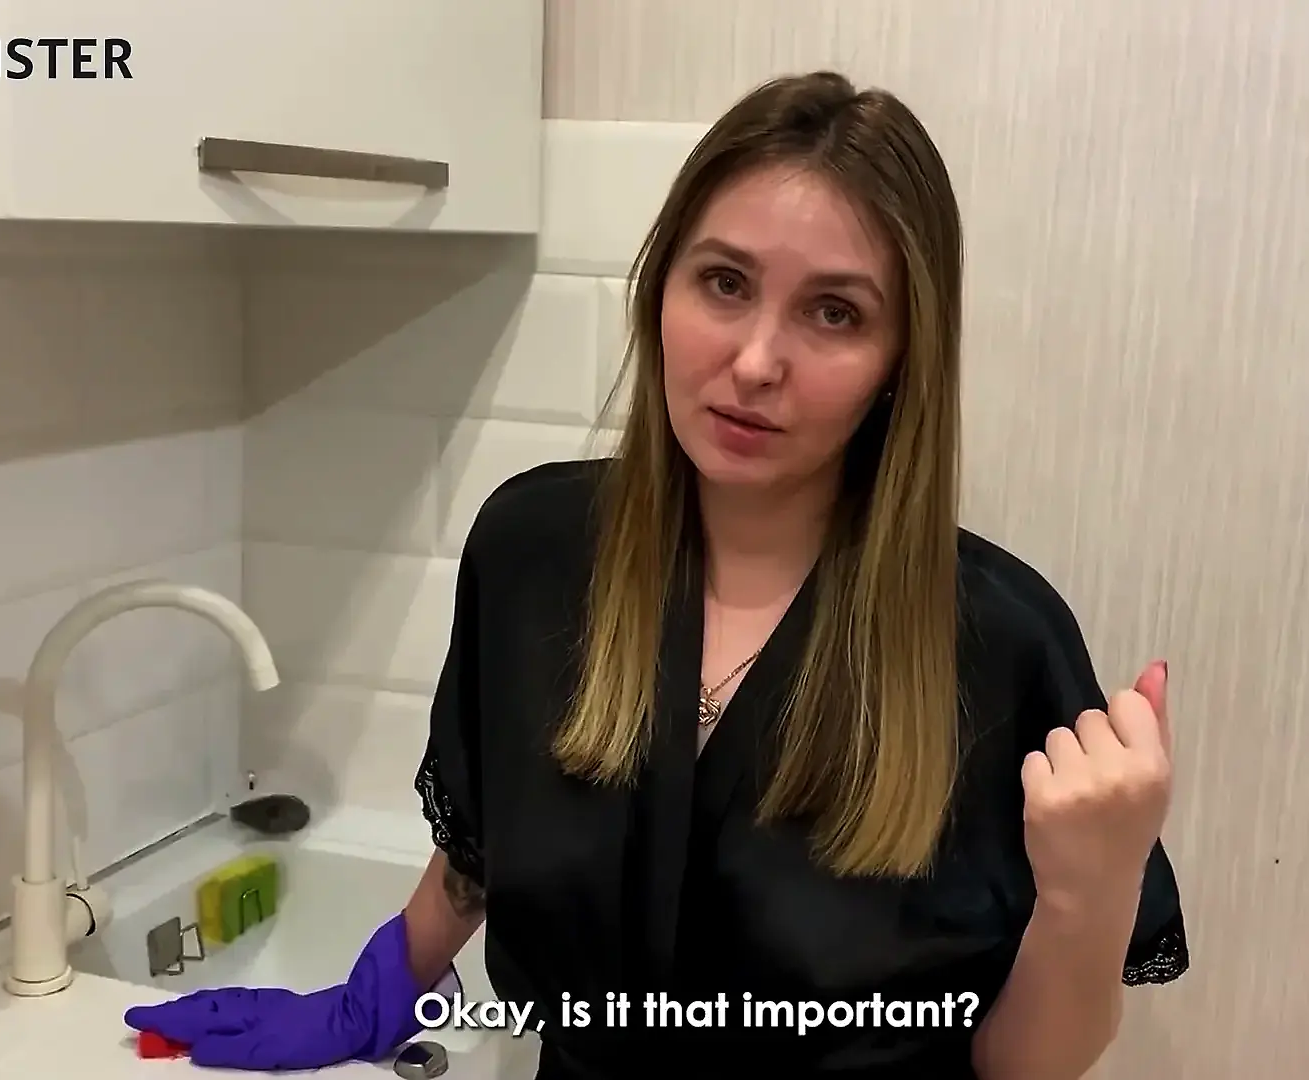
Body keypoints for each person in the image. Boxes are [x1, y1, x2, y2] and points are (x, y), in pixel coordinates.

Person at [126, 70, 1189, 1079]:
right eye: (725, 283)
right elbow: (488, 848)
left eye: (835, 312)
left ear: (901, 362)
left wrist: (1089, 897)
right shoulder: (535, 552)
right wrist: (379, 991)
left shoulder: (994, 645)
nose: (757, 362)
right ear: (660, 290)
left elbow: (1017, 1066)